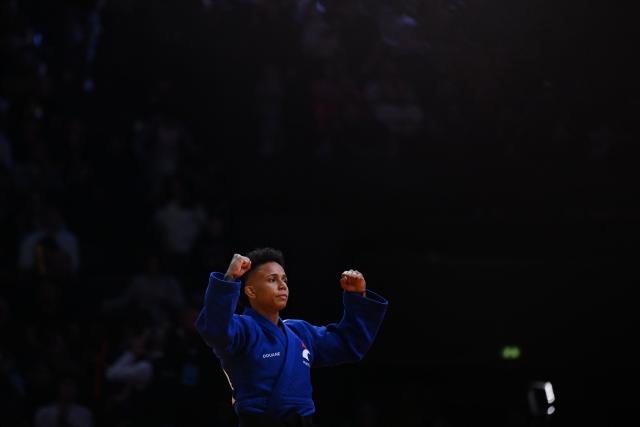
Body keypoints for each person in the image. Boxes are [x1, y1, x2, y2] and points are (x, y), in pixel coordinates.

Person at [195, 248, 388, 427]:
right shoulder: (243, 328)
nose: (282, 286)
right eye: (272, 279)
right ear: (251, 290)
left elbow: (349, 344)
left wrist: (357, 297)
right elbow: (214, 330)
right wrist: (229, 279)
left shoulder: (300, 332)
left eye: (284, 280)